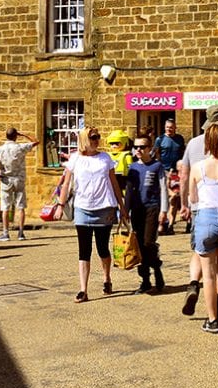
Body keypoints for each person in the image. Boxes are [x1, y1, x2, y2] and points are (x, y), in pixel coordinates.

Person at [177, 104, 218, 316]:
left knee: (200, 252)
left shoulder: (193, 143)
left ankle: (194, 283)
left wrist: (185, 203)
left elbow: (184, 175)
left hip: (200, 209)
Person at [59, 126, 128, 303]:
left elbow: (114, 184)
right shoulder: (75, 159)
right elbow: (66, 184)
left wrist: (122, 207)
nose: (97, 140)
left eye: (97, 137)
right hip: (82, 208)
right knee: (84, 250)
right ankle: (83, 290)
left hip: (104, 207)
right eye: (93, 137)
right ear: (84, 140)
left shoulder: (105, 158)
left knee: (102, 248)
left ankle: (106, 279)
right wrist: (61, 204)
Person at [127, 135, 168, 293]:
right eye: (136, 147)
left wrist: (164, 210)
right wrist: (124, 211)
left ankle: (157, 268)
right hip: (137, 210)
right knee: (138, 245)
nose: (138, 150)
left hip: (152, 208)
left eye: (142, 147)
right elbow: (129, 191)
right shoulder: (133, 167)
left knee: (148, 242)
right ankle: (145, 280)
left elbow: (163, 187)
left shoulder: (157, 166)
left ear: (149, 149)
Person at [0, 128, 40, 242]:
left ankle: (6, 233)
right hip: (19, 179)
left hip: (6, 179)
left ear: (6, 136)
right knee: (20, 206)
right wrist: (24, 134)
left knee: (5, 207)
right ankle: (21, 233)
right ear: (16, 136)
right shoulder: (20, 147)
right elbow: (36, 141)